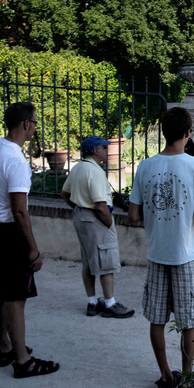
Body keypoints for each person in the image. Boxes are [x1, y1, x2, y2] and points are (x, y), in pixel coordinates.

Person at [128, 107, 194, 388]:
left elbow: (133, 215)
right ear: (188, 132)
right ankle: (188, 381)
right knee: (189, 320)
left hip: (157, 253)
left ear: (163, 131)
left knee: (157, 318)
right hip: (187, 254)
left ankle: (166, 376)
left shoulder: (145, 166)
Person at [0, 101, 59, 378]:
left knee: (0, 290)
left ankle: (5, 348)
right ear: (26, 124)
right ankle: (22, 361)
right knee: (16, 297)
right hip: (10, 234)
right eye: (34, 123)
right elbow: (20, 211)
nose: (35, 127)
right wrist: (33, 250)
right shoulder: (16, 161)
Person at [61, 136, 134, 319]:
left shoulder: (78, 167)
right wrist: (109, 223)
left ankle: (92, 302)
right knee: (105, 260)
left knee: (88, 260)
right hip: (96, 218)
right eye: (103, 148)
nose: (106, 150)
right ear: (95, 151)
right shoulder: (95, 172)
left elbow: (64, 193)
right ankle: (109, 303)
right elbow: (101, 206)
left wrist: (79, 207)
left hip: (81, 216)